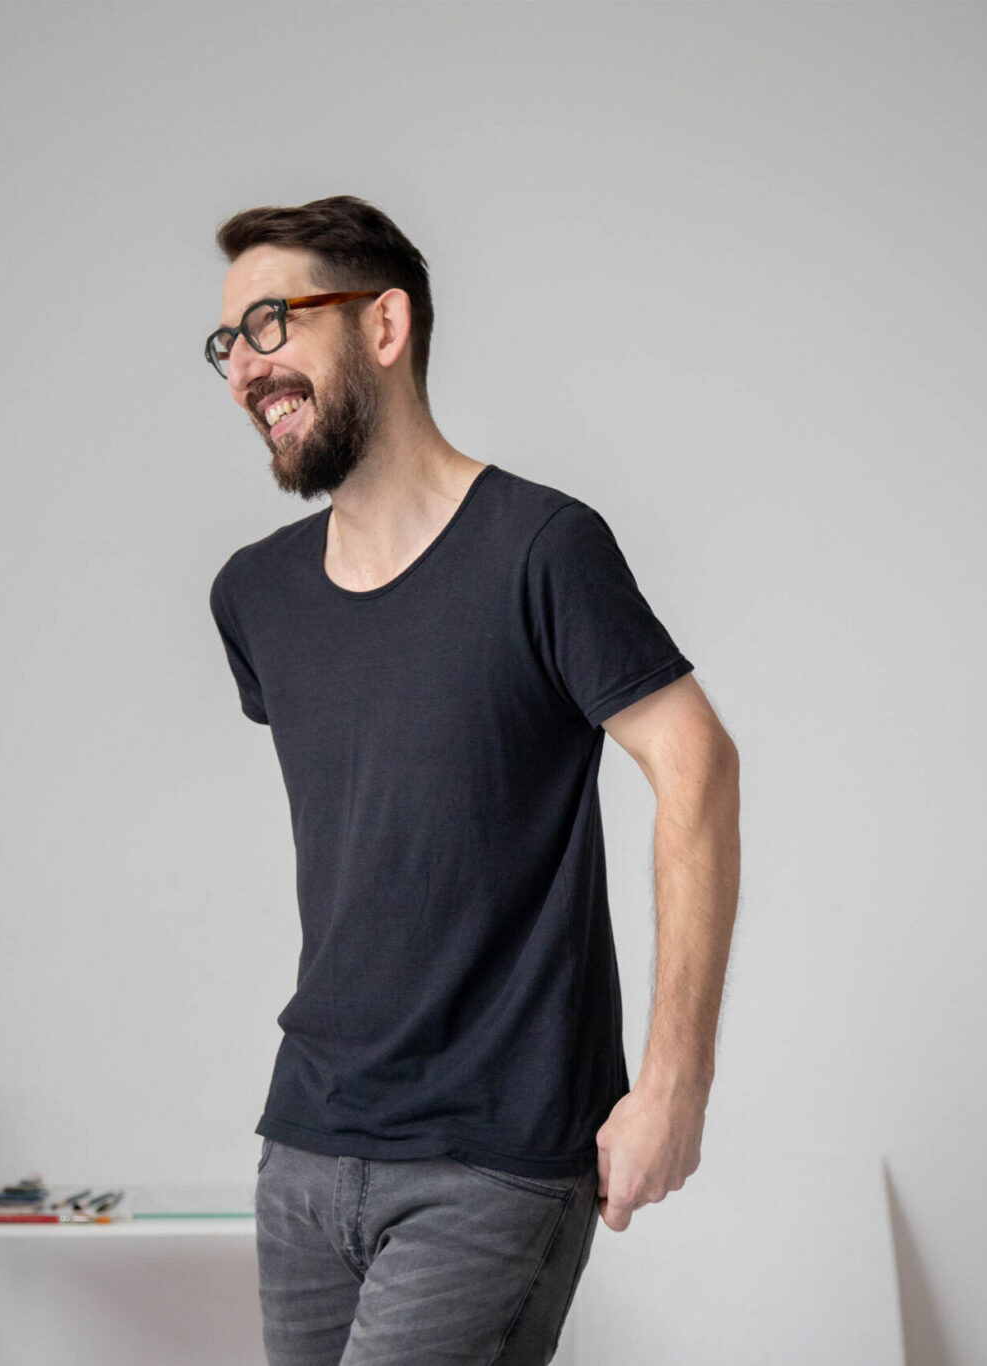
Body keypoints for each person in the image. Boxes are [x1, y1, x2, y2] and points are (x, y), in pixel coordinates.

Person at [203, 195, 742, 1366]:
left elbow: (696, 762)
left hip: (492, 1156)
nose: (244, 367)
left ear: (383, 325)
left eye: (272, 322)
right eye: (228, 342)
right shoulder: (254, 597)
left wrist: (673, 1084)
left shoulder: (541, 550)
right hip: (302, 1144)